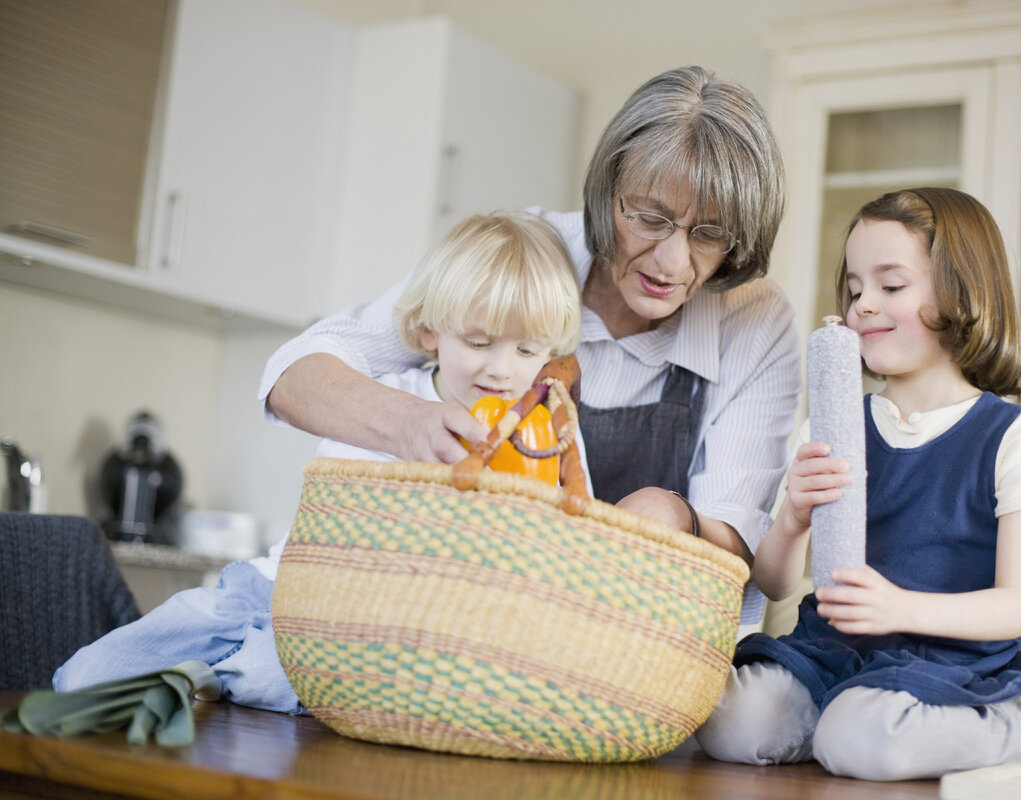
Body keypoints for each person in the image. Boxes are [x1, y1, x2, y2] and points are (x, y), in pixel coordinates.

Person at [259, 66, 802, 624]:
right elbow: (290, 377)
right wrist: (407, 422)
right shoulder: (523, 256)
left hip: (625, 628)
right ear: (607, 191)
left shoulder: (752, 318)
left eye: (709, 232)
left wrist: (674, 517)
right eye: (648, 217)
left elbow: (742, 546)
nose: (670, 262)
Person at [54, 211, 587, 712]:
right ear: (431, 332)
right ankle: (206, 669)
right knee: (90, 675)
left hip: (373, 628)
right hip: (275, 590)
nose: (501, 369)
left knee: (287, 677)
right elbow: (332, 512)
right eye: (480, 342)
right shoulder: (385, 402)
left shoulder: (550, 434)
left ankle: (211, 678)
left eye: (526, 351)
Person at [694, 187, 1021, 779]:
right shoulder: (828, 426)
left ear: (962, 293)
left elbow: (1016, 607)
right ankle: (838, 728)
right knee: (731, 719)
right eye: (853, 288)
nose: (862, 304)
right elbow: (773, 582)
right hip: (831, 656)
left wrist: (898, 606)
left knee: (861, 733)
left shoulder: (1013, 439)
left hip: (944, 666)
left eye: (890, 286)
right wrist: (794, 517)